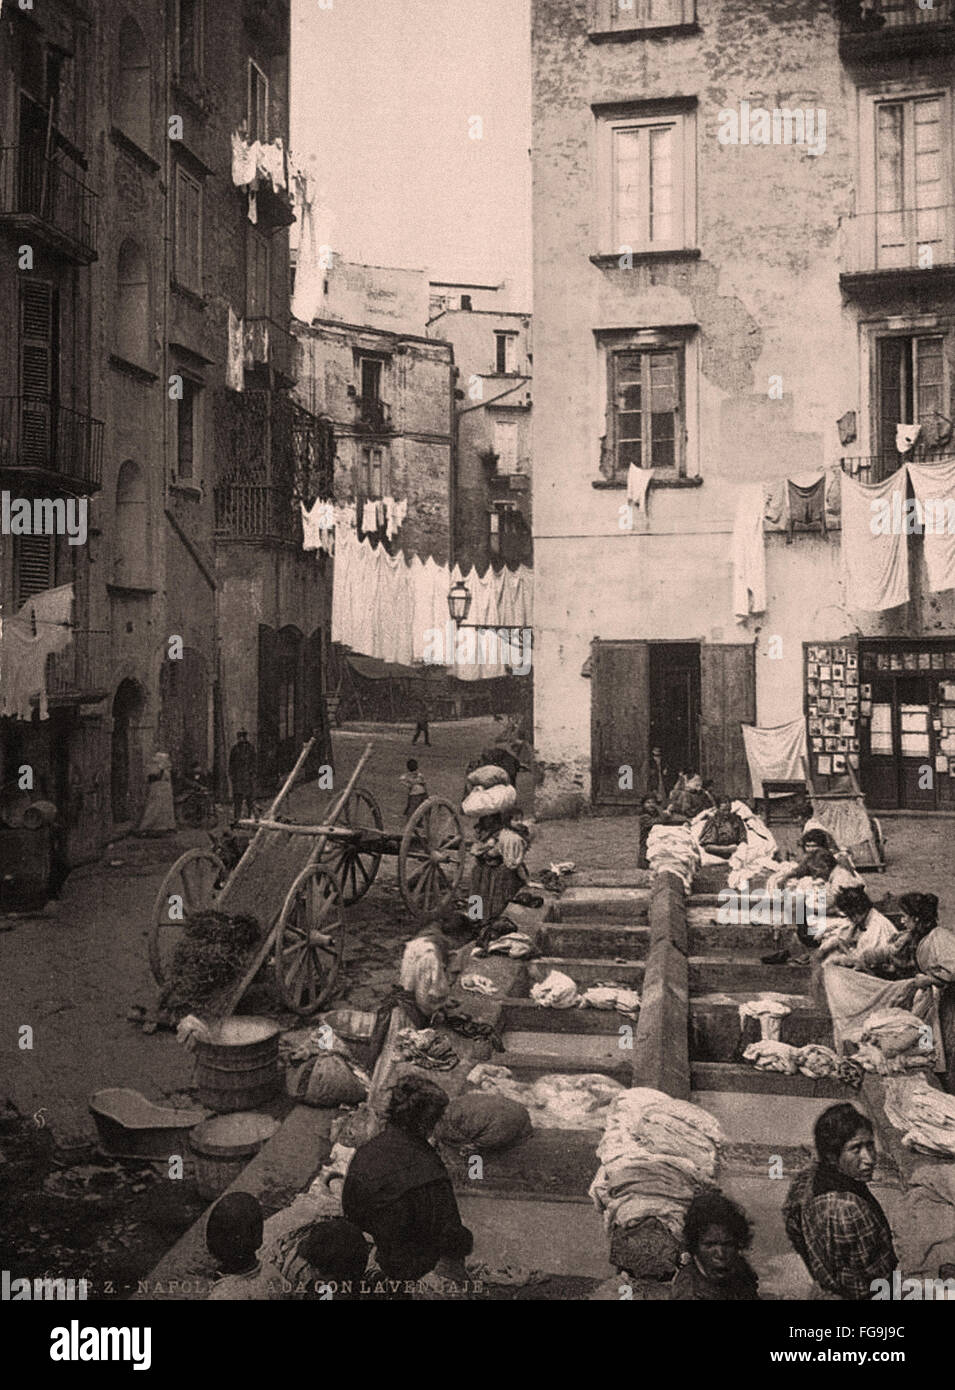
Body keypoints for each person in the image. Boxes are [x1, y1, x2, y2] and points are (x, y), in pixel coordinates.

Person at [342, 1074, 474, 1288]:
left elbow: (352, 1209)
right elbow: (449, 1233)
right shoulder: (430, 1169)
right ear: (428, 1124)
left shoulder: (366, 1151)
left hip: (367, 1249)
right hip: (408, 1266)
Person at [783, 1104, 896, 1300]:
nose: (869, 1159)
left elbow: (793, 1224)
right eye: (856, 1149)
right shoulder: (847, 1209)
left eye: (870, 1145)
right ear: (832, 1155)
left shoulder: (809, 1178)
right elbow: (866, 1285)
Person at [670, 1190, 759, 1301]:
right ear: (695, 1246)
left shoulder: (740, 1271)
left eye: (728, 1244)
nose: (720, 1254)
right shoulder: (690, 1292)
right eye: (710, 1245)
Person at [137, 752, 175, 836]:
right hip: (157, 790)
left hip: (165, 791)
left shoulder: (166, 769)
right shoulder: (154, 768)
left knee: (164, 809)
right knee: (154, 807)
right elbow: (152, 778)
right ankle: (147, 826)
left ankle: (162, 827)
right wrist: (160, 769)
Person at [228, 730, 257, 823]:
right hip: (238, 778)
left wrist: (252, 773)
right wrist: (231, 775)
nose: (241, 739)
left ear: (245, 737)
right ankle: (237, 818)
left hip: (247, 777)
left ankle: (250, 817)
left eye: (243, 737)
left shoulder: (250, 748)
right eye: (239, 737)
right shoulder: (235, 749)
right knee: (237, 799)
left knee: (249, 799)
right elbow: (231, 763)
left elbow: (254, 762)